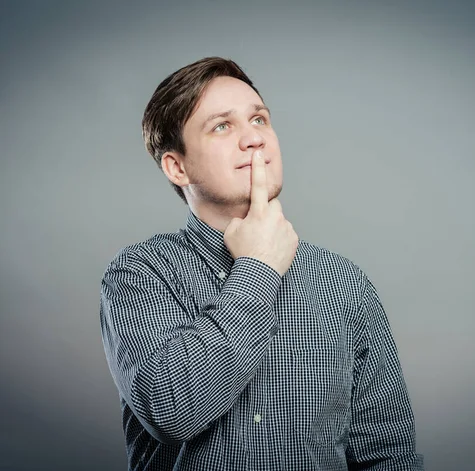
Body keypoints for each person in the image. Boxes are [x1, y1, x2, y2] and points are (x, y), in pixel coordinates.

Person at [99, 56, 425, 470]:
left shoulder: (345, 283)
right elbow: (171, 409)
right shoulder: (140, 273)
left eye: (259, 120)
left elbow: (387, 455)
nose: (254, 139)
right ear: (176, 166)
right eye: (222, 126)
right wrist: (257, 268)